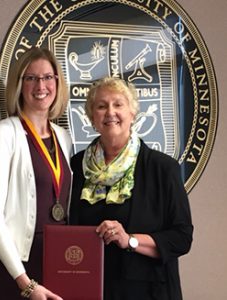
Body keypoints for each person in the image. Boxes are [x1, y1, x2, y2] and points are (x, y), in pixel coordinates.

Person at [69, 77, 193, 300]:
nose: (110, 112)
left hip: (149, 292)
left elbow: (181, 238)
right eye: (101, 105)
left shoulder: (162, 168)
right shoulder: (76, 166)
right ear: (91, 117)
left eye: (118, 104)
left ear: (132, 114)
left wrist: (130, 240)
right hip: (91, 289)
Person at [0, 47, 72, 300]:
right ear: (19, 85)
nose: (40, 85)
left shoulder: (63, 138)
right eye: (30, 78)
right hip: (13, 271)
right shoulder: (1, 134)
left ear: (57, 82)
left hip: (55, 265)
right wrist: (25, 283)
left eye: (47, 77)